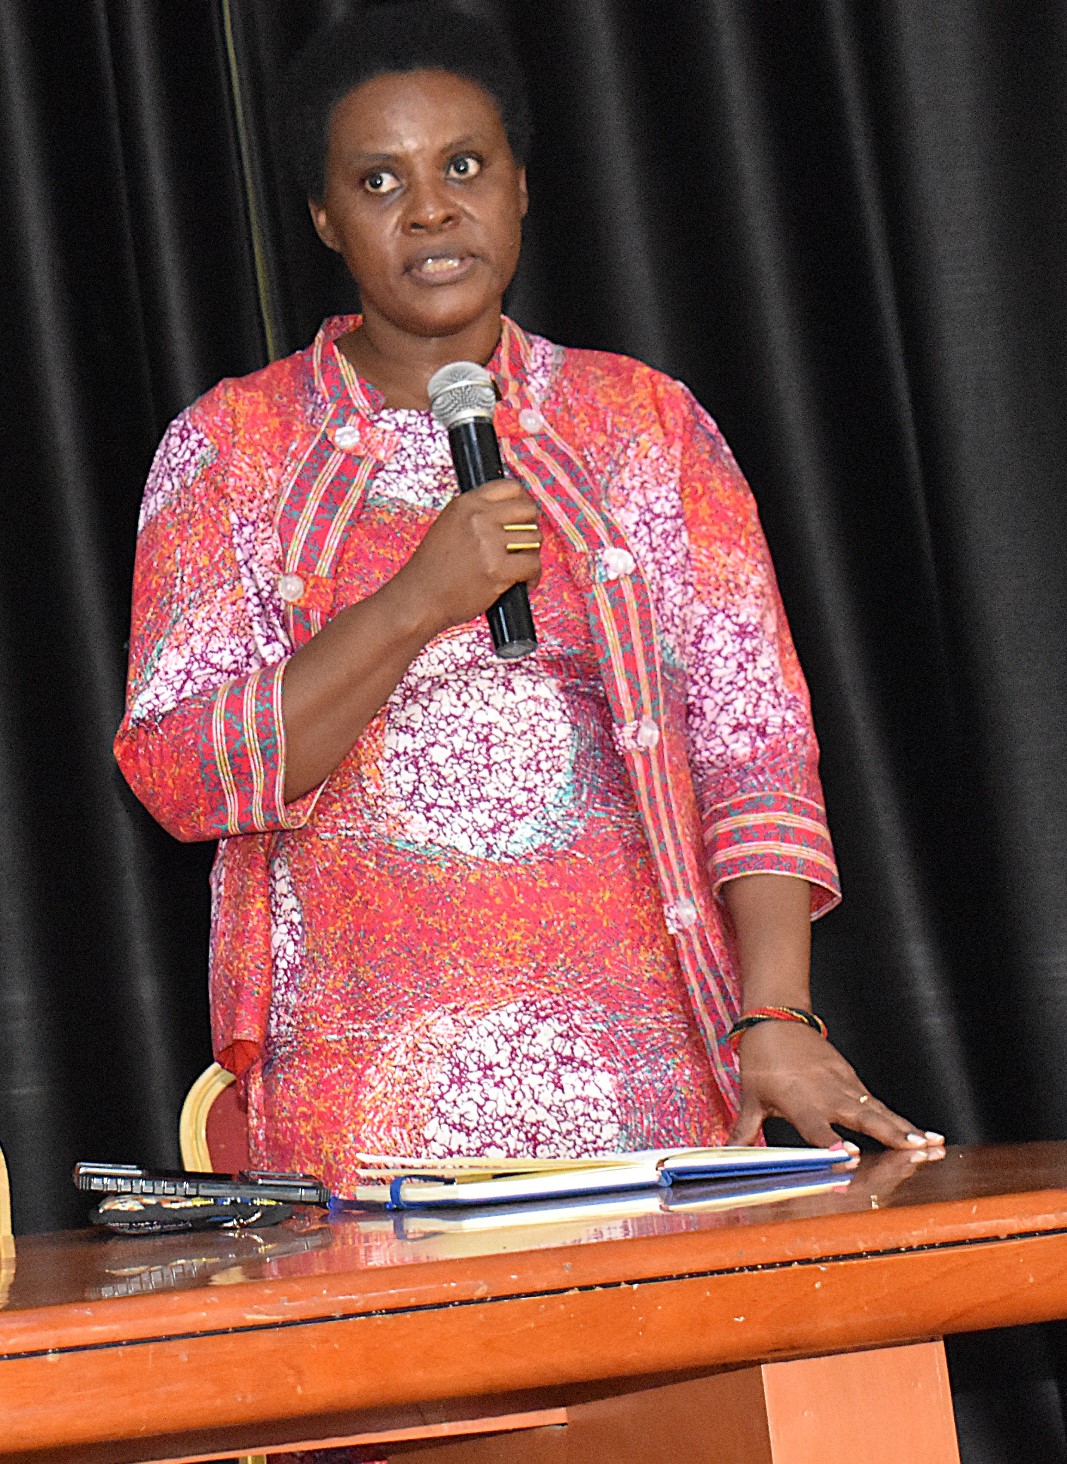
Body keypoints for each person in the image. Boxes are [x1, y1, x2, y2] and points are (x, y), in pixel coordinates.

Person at [115, 2, 944, 1203]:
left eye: (462, 166)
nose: (431, 208)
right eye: (378, 180)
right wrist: (417, 600)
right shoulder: (231, 449)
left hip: (656, 1078)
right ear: (324, 220)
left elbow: (753, 745)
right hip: (368, 1110)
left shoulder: (644, 425)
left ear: (517, 187)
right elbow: (180, 771)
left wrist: (773, 1012)